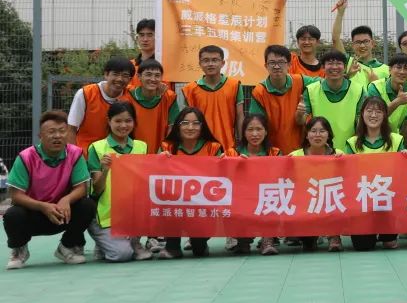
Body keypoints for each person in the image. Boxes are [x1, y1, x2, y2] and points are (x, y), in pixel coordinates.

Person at [4, 111, 95, 269]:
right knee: (13, 215)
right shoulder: (26, 157)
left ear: (68, 134)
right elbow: (15, 195)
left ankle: (67, 247)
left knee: (87, 205)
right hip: (34, 213)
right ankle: (19, 250)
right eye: (51, 132)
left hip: (62, 212)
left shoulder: (75, 154)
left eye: (62, 131)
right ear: (40, 135)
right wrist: (43, 206)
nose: (57, 136)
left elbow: (82, 188)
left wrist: (66, 199)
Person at [86, 102, 151, 262]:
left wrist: (164, 160)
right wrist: (105, 170)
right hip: (106, 216)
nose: (123, 125)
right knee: (121, 254)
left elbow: (149, 180)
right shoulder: (97, 148)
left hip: (132, 213)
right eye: (118, 121)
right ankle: (104, 243)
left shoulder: (142, 147)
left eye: (128, 121)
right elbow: (97, 189)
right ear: (109, 121)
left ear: (134, 122)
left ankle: (134, 240)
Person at [158, 107, 225, 258]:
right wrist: (159, 161)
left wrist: (228, 163)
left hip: (202, 207)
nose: (190, 127)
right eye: (185, 123)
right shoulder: (167, 147)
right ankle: (172, 247)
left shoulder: (213, 147)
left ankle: (200, 242)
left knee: (199, 251)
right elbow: (154, 178)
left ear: (202, 126)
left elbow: (223, 178)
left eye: (196, 123)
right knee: (168, 206)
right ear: (178, 126)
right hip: (175, 206)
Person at [345, 96, 405, 251]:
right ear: (362, 114)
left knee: (390, 244)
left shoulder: (396, 140)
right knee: (362, 246)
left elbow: (403, 174)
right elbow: (348, 176)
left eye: (378, 111)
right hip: (362, 202)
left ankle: (388, 233)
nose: (373, 115)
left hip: (387, 200)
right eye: (369, 111)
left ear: (385, 115)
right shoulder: (352, 143)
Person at [227, 114, 282, 256]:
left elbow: (281, 178)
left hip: (266, 197)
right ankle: (243, 240)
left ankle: (268, 239)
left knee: (273, 197)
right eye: (250, 129)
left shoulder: (274, 153)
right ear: (244, 132)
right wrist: (226, 162)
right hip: (242, 199)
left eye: (259, 129)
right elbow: (224, 177)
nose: (255, 134)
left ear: (266, 131)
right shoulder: (233, 153)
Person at [288, 117, 342, 252]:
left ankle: (334, 235)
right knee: (308, 245)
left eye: (322, 131)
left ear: (329, 134)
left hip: (331, 202)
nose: (317, 135)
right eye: (313, 131)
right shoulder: (294, 156)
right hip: (305, 205)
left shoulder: (339, 155)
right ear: (307, 135)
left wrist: (343, 163)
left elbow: (350, 180)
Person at [297, 50, 366, 153]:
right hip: (321, 153)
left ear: (345, 67)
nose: (334, 67)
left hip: (350, 152)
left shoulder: (359, 90)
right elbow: (300, 121)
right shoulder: (311, 90)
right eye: (330, 63)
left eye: (338, 63)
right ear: (323, 67)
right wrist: (299, 113)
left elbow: (362, 123)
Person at [250, 45, 314, 154]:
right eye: (272, 63)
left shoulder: (301, 81)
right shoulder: (259, 91)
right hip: (272, 153)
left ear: (289, 65)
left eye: (281, 62)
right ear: (266, 66)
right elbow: (256, 124)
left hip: (300, 151)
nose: (276, 66)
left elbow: (324, 83)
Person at [180, 45, 243, 151]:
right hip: (200, 148)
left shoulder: (235, 85)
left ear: (222, 63)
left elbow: (240, 117)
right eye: (206, 60)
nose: (210, 64)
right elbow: (187, 121)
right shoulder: (190, 90)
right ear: (200, 64)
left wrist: (242, 143)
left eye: (215, 60)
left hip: (228, 147)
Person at [68, 56, 135, 154]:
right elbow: (71, 128)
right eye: (115, 74)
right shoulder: (86, 94)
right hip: (86, 154)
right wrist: (74, 157)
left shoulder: (132, 95)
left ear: (130, 79)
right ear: (106, 74)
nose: (120, 79)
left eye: (125, 75)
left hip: (117, 157)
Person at [364, 53, 407, 146]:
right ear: (390, 69)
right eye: (398, 67)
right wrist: (397, 101)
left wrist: (401, 148)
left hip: (397, 143)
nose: (402, 72)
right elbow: (374, 117)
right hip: (372, 139)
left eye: (406, 68)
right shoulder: (375, 87)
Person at [125, 59, 179, 155]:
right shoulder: (128, 95)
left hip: (160, 153)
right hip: (132, 152)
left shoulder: (169, 97)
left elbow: (173, 127)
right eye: (148, 74)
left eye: (157, 75)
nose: (153, 79)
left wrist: (167, 149)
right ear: (139, 76)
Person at [332, 2, 389, 90]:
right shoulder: (348, 63)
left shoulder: (386, 70)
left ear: (373, 43)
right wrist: (340, 13)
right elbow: (335, 39)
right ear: (352, 45)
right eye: (358, 42)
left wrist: (376, 85)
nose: (362, 45)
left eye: (366, 41)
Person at [130, 18, 166, 89]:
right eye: (142, 35)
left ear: (158, 37)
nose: (145, 39)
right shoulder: (130, 65)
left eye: (150, 35)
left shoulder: (166, 65)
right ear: (137, 38)